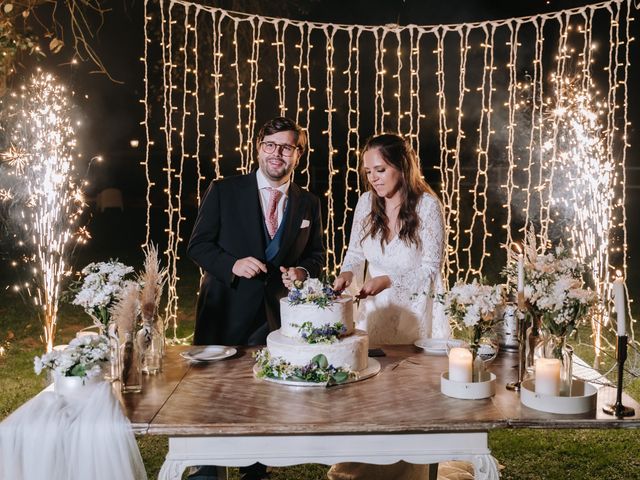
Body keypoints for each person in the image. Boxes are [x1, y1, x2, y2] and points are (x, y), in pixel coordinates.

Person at [186, 116, 325, 480]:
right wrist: (232, 264)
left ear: (298, 154)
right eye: (270, 145)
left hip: (275, 318)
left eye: (286, 147)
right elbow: (198, 246)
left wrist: (302, 272)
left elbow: (316, 256)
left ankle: (256, 469)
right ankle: (209, 471)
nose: (277, 153)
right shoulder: (224, 190)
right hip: (224, 312)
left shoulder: (308, 202)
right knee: (216, 396)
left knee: (264, 395)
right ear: (258, 148)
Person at [328, 133, 449, 480]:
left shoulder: (427, 206)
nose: (374, 178)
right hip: (374, 309)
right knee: (371, 388)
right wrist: (346, 273)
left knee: (409, 393)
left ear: (402, 166)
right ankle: (370, 462)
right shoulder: (366, 203)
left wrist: (389, 281)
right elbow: (354, 252)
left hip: (413, 309)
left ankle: (408, 468)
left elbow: (430, 268)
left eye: (380, 169)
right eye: (368, 172)